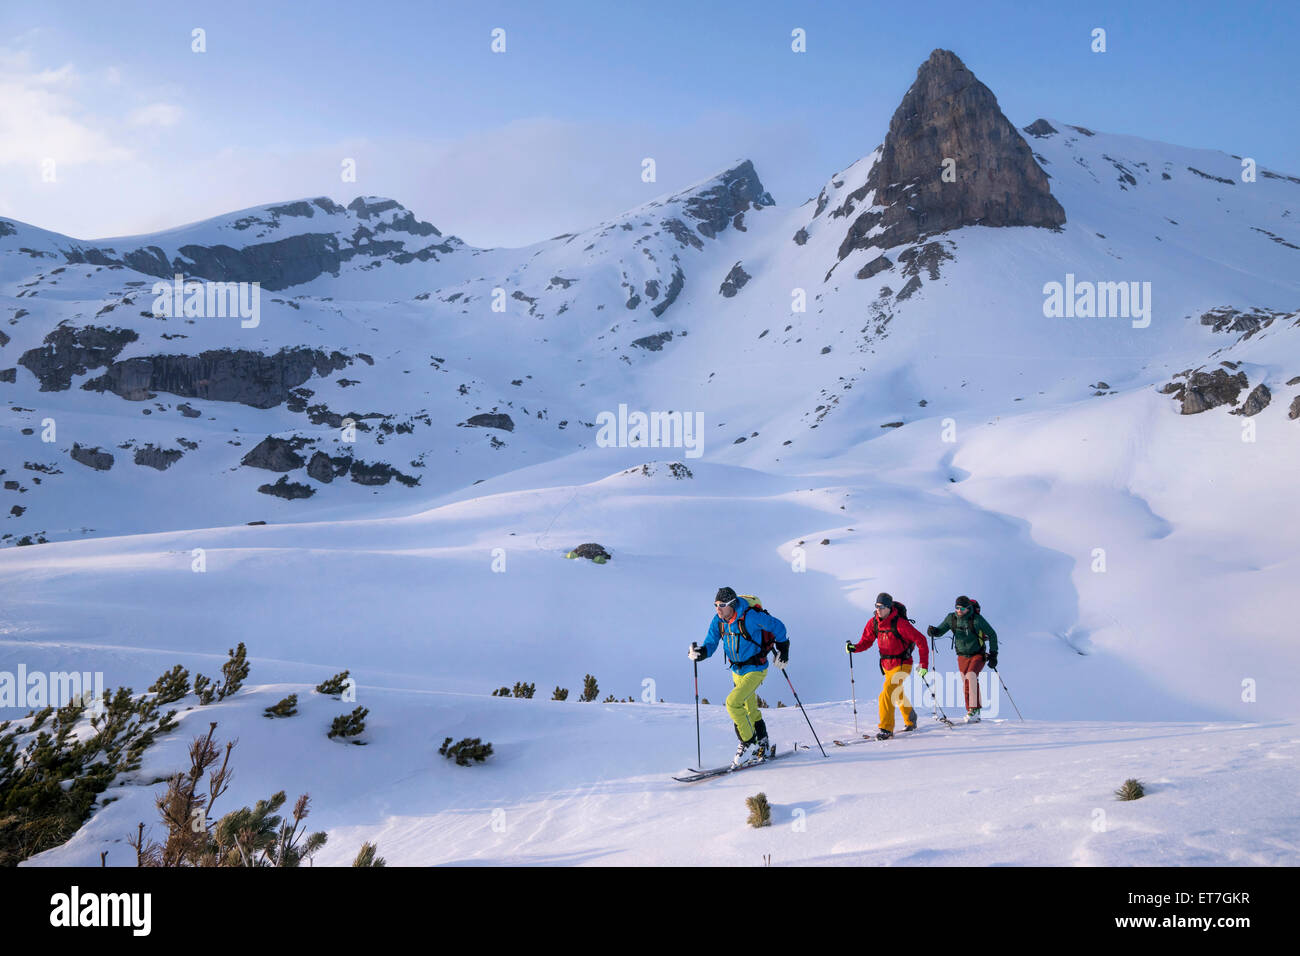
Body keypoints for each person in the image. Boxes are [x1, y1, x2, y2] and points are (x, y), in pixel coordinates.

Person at [689, 587, 789, 766]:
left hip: (756, 669)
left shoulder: (750, 617)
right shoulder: (718, 621)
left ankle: (748, 742)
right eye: (715, 605)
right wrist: (701, 652)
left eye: (721, 605)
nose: (718, 609)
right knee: (749, 709)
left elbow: (777, 626)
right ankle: (762, 742)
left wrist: (784, 649)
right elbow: (711, 643)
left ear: (732, 604)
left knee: (733, 703)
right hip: (736, 671)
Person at [846, 592, 929, 739]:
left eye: (882, 607)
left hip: (903, 665)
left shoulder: (900, 624)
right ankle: (911, 718)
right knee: (896, 693)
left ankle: (886, 728)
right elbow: (866, 642)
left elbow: (921, 640)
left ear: (889, 608)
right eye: (877, 606)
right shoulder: (874, 623)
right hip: (887, 666)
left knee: (886, 694)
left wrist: (923, 665)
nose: (879, 609)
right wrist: (854, 648)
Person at [927, 595, 998, 722]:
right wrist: (933, 631)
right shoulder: (951, 618)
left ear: (968, 608)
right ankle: (971, 711)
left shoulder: (977, 620)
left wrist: (993, 655)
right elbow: (940, 630)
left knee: (971, 676)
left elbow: (992, 634)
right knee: (966, 681)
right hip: (962, 655)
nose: (959, 611)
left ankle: (975, 710)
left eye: (962, 608)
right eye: (957, 608)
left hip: (978, 654)